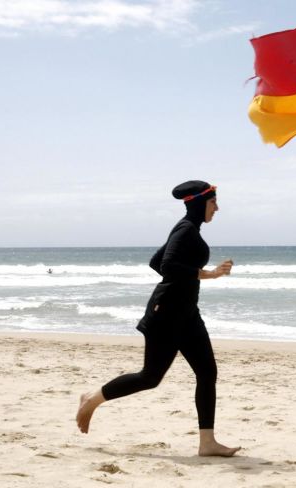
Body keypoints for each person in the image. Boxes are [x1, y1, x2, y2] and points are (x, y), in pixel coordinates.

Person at [76, 180, 240, 457]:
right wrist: (208, 274)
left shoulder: (186, 228)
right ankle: (92, 398)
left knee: (207, 372)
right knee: (150, 377)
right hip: (167, 314)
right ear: (201, 203)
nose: (217, 208)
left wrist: (201, 274)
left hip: (187, 313)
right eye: (214, 203)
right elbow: (166, 266)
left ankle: (207, 442)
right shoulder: (186, 230)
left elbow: (157, 263)